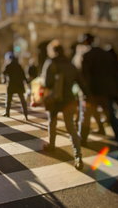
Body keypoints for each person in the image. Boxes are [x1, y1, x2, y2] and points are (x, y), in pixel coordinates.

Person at [79, 33, 118, 160]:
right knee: (112, 118)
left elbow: (85, 77)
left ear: (85, 43)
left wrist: (85, 94)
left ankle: (82, 140)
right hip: (107, 92)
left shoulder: (87, 55)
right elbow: (116, 71)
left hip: (93, 93)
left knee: (86, 117)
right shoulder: (106, 54)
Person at [43, 41, 84, 170]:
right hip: (69, 100)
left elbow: (46, 83)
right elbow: (80, 81)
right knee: (71, 127)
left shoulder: (50, 63)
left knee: (52, 122)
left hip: (55, 100)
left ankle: (52, 145)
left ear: (52, 51)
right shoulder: (71, 64)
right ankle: (78, 156)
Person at [2, 52, 29, 120]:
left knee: (9, 100)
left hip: (11, 85)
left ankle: (7, 113)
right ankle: (26, 115)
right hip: (19, 85)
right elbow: (23, 75)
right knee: (22, 100)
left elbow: (4, 73)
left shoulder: (8, 65)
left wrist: (5, 80)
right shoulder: (19, 65)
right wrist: (26, 81)